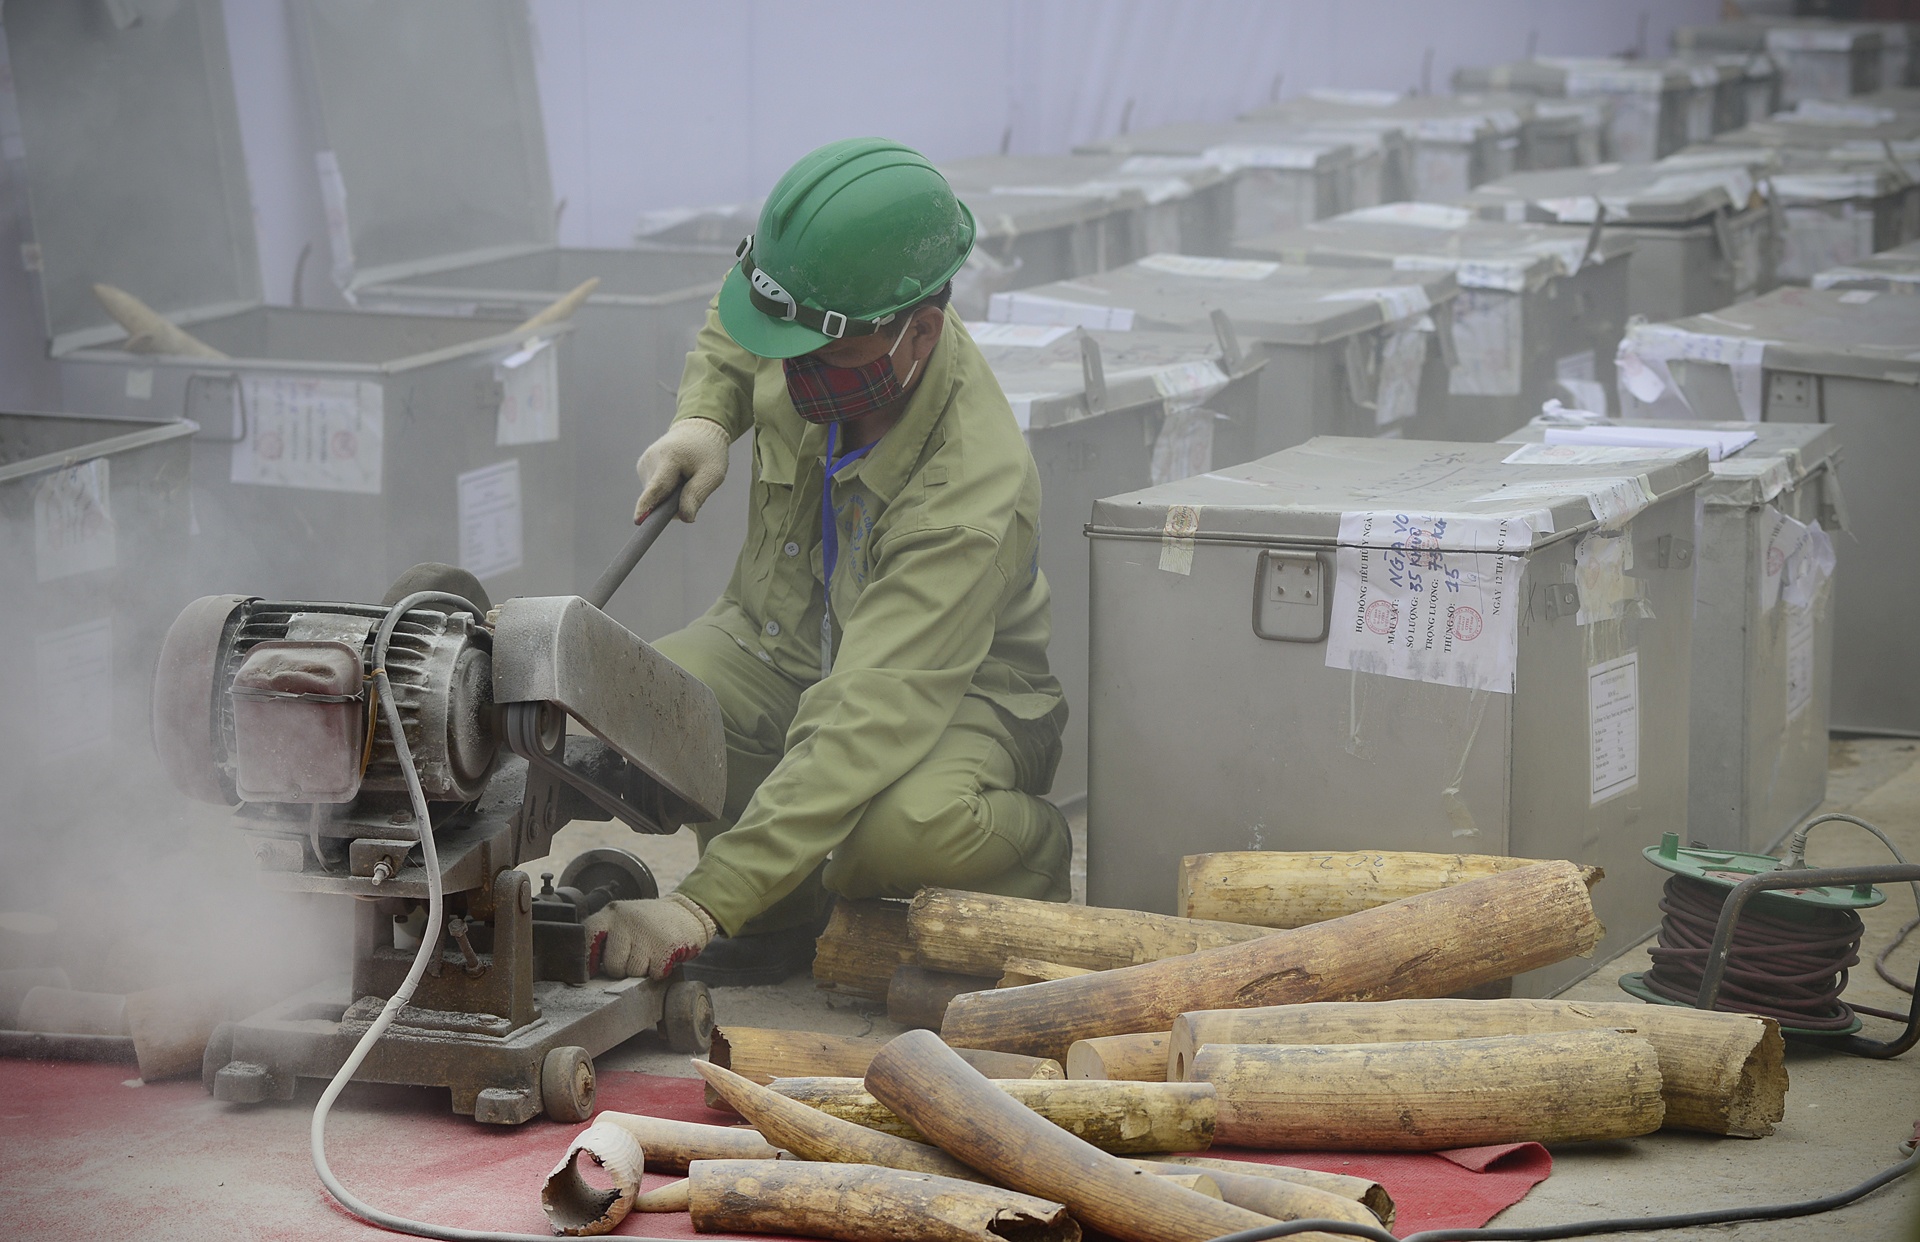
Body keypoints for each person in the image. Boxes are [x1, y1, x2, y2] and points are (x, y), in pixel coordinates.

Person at [584, 137, 1071, 986]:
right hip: (790, 639)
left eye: (822, 353)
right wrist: (705, 417)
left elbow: (867, 712)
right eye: (784, 340)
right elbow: (745, 320)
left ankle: (1031, 866)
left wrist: (697, 902)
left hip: (962, 696)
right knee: (663, 696)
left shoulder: (969, 490)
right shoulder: (820, 320)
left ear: (919, 333)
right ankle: (779, 917)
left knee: (894, 831)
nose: (792, 367)